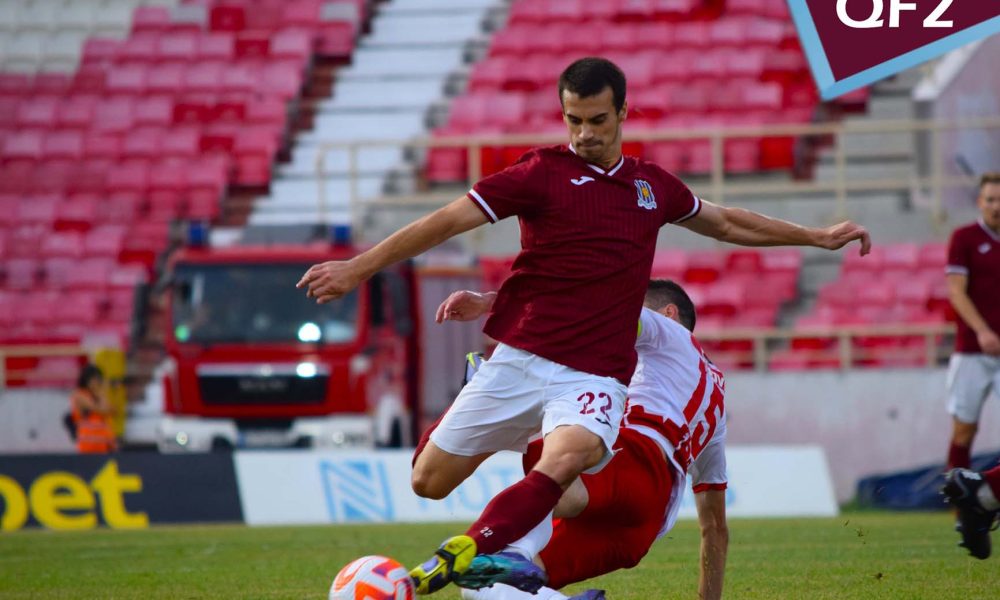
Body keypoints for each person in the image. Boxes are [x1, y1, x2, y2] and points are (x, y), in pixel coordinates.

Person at [297, 57, 870, 595]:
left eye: (597, 120)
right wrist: (357, 268)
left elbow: (725, 223)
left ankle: (470, 549)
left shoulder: (652, 187)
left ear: (622, 112)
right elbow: (447, 220)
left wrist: (816, 236)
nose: (585, 133)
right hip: (521, 357)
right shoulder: (539, 173)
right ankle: (487, 417)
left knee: (566, 458)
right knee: (428, 480)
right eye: (574, 119)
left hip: (594, 376)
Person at [435, 281, 727, 600]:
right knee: (482, 583)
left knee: (554, 464)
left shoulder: (670, 335)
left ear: (668, 314)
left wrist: (493, 303)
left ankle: (488, 389)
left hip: (635, 456)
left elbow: (598, 314)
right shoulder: (717, 400)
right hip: (644, 522)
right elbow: (714, 525)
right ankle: (528, 567)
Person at [942, 172, 1000, 559]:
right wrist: (982, 330)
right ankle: (964, 504)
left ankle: (978, 495)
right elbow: (955, 292)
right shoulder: (965, 238)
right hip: (972, 350)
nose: (997, 206)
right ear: (980, 202)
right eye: (991, 199)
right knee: (964, 429)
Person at [69, 363, 117, 454]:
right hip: (87, 443)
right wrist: (100, 393)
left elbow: (112, 411)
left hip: (103, 443)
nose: (95, 382)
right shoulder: (79, 395)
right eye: (93, 379)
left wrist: (100, 393)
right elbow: (100, 410)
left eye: (98, 379)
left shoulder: (98, 394)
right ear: (86, 379)